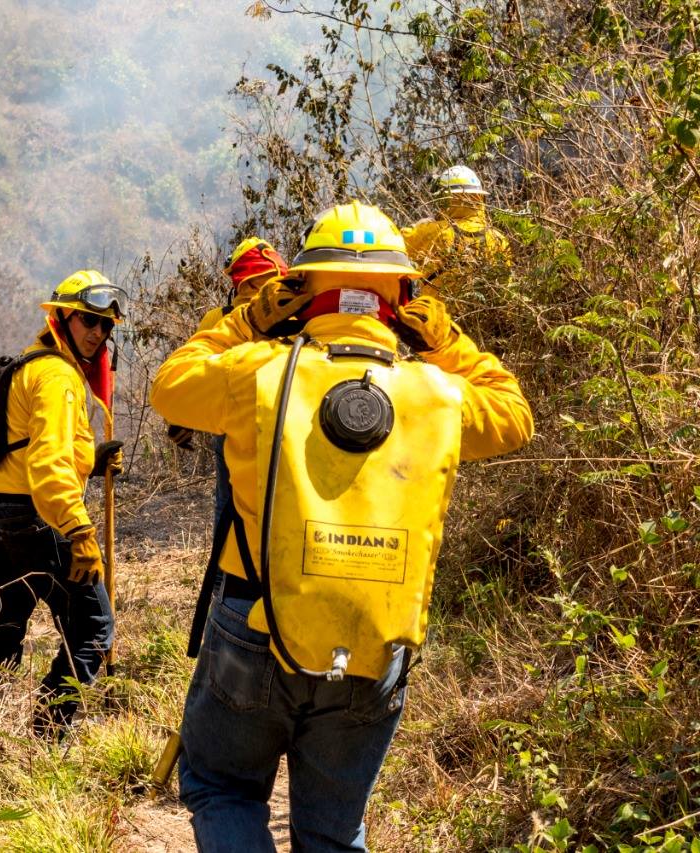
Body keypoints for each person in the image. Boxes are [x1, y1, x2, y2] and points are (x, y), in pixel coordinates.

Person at [151, 201, 533, 851]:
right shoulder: (441, 395)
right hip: (373, 640)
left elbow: (171, 387)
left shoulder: (257, 372)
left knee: (223, 789)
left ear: (301, 289)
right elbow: (515, 416)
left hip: (254, 623)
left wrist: (246, 318)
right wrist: (444, 340)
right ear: (402, 298)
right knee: (332, 830)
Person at [0, 269, 127, 736]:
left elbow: (30, 448)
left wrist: (91, 461)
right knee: (93, 629)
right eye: (87, 320)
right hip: (36, 520)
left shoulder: (30, 364)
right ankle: (47, 733)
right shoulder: (59, 377)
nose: (97, 333)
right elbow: (48, 464)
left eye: (105, 325)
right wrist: (79, 531)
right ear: (60, 317)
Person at [167, 237, 289, 527]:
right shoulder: (292, 313)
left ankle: (226, 556)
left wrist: (180, 420)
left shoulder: (219, 319)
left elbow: (194, 370)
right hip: (283, 422)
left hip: (231, 425)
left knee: (228, 504)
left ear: (238, 280)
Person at [402, 164, 512, 302]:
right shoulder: (498, 239)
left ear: (444, 199)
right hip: (486, 314)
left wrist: (418, 226)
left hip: (440, 314)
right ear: (480, 198)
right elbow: (506, 286)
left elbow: (393, 244)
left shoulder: (435, 231)